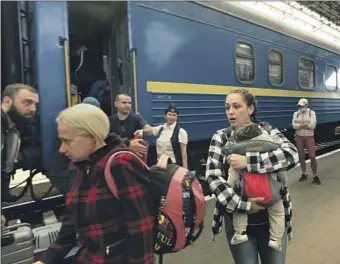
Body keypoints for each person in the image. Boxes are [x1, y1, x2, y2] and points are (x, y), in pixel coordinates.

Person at [35, 104, 154, 264]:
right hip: (89, 257)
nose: (62, 149)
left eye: (67, 141)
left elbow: (141, 229)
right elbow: (71, 222)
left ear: (92, 137)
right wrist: (46, 260)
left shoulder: (120, 163)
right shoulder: (82, 165)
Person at [206, 88, 298, 264]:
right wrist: (244, 205)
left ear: (250, 109)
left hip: (272, 220)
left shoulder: (268, 130)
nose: (230, 112)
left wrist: (249, 162)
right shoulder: (221, 137)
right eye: (227, 107)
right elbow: (213, 176)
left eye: (236, 106)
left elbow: (291, 154)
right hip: (238, 223)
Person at [224, 122, 287, 251]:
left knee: (239, 211)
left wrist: (230, 191)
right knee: (278, 212)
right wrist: (283, 182)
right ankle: (276, 239)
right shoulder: (270, 150)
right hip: (271, 195)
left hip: (247, 195)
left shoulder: (237, 156)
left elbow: (232, 178)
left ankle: (240, 233)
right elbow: (281, 170)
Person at [1, 83, 39, 202]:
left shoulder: (11, 125)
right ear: (7, 101)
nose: (33, 109)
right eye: (27, 103)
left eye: (35, 104)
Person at [292, 98, 320, 185]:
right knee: (301, 156)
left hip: (309, 136)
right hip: (299, 137)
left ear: (306, 105)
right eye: (300, 106)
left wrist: (299, 125)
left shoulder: (312, 113)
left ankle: (315, 175)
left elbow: (312, 126)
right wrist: (304, 125)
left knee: (312, 156)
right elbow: (293, 126)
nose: (301, 107)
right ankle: (304, 173)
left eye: (302, 106)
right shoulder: (296, 114)